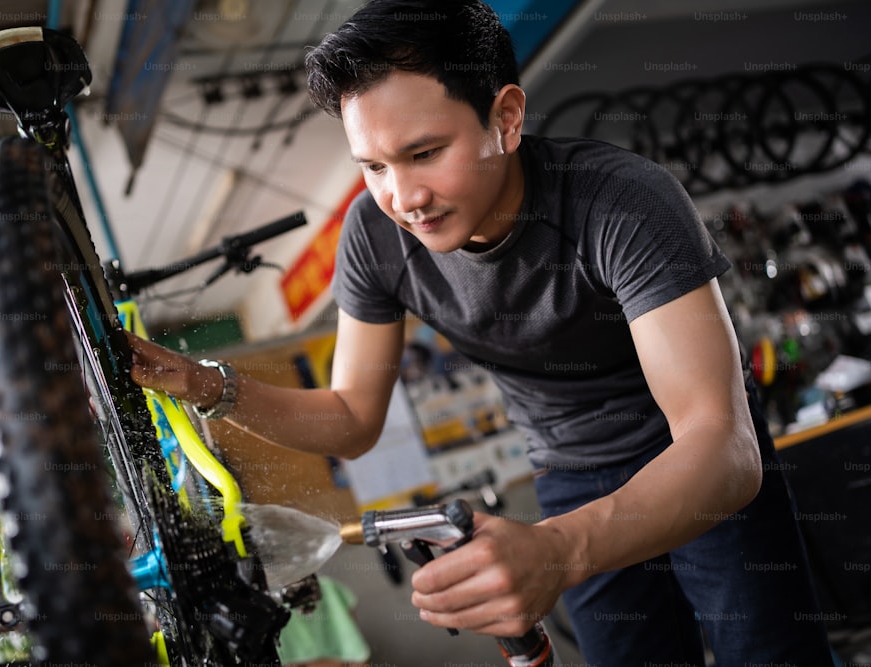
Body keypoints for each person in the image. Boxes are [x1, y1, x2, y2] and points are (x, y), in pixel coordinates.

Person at [127, 0, 837, 663]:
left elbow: (724, 446)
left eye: (425, 152)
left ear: (506, 117)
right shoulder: (374, 237)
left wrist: (558, 551)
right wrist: (204, 384)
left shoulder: (623, 203)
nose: (403, 198)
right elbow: (349, 418)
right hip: (569, 472)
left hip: (691, 459)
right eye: (373, 167)